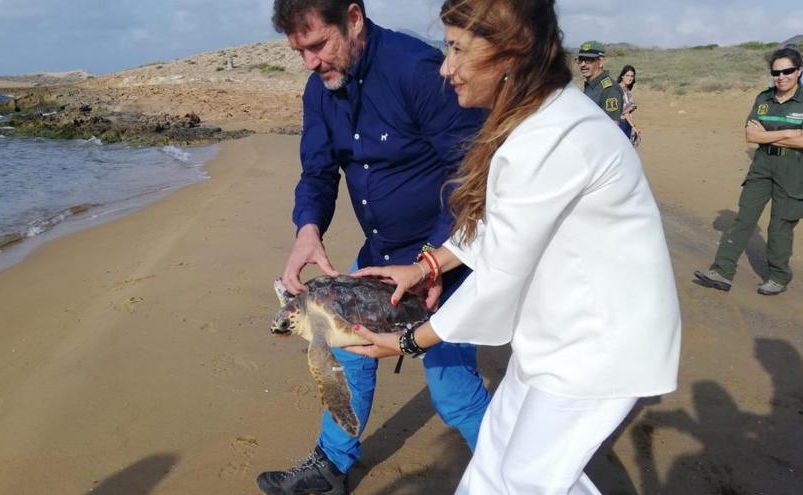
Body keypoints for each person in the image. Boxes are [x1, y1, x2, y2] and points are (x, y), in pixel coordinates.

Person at [346, 0, 682, 493]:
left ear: (510, 55)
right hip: (554, 334)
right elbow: (499, 226)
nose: (446, 68)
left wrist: (405, 342)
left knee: (529, 478)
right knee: (495, 463)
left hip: (599, 346)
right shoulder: (532, 120)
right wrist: (428, 265)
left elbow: (498, 280)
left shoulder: (553, 137)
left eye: (457, 49)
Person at [258, 1, 492, 494]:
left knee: (452, 392)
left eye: (318, 45)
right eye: (299, 51)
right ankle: (331, 465)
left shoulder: (417, 71)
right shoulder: (319, 90)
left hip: (445, 254)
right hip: (379, 255)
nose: (310, 62)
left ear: (354, 18)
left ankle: (519, 474)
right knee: (350, 357)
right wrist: (308, 228)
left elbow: (473, 172)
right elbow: (318, 172)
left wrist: (433, 261)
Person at [695, 47, 803, 296]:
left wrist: (767, 136)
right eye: (776, 72)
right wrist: (789, 133)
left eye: (787, 71)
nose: (781, 77)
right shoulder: (763, 99)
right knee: (744, 218)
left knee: (780, 225)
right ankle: (721, 271)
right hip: (762, 166)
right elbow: (750, 135)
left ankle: (779, 276)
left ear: (799, 71)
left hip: (795, 169)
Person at [578, 40, 623, 124]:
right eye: (580, 60)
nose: (583, 64)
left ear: (601, 62)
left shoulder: (610, 89)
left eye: (588, 60)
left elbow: (612, 126)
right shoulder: (590, 85)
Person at [617, 64, 641, 145]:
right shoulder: (619, 89)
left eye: (632, 76)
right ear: (622, 76)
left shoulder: (627, 89)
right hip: (621, 124)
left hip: (626, 123)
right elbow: (625, 112)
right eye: (627, 75)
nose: (630, 78)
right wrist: (634, 127)